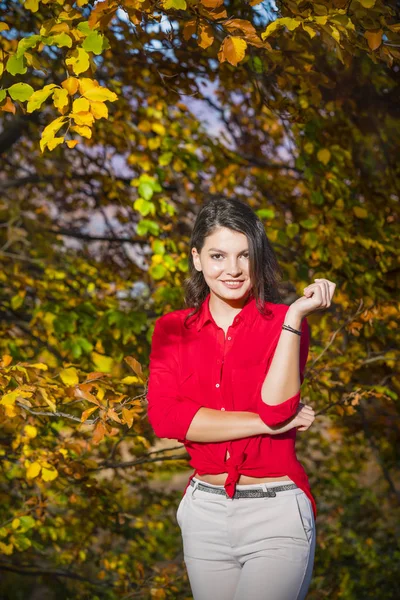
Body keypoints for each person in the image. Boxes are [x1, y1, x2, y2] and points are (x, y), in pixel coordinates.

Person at [147, 198, 336, 600]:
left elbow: (278, 408)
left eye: (244, 256)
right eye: (218, 256)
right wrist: (266, 424)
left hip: (276, 512)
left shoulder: (285, 323)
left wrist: (296, 317)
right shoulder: (171, 329)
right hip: (204, 513)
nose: (232, 270)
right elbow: (166, 419)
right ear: (197, 258)